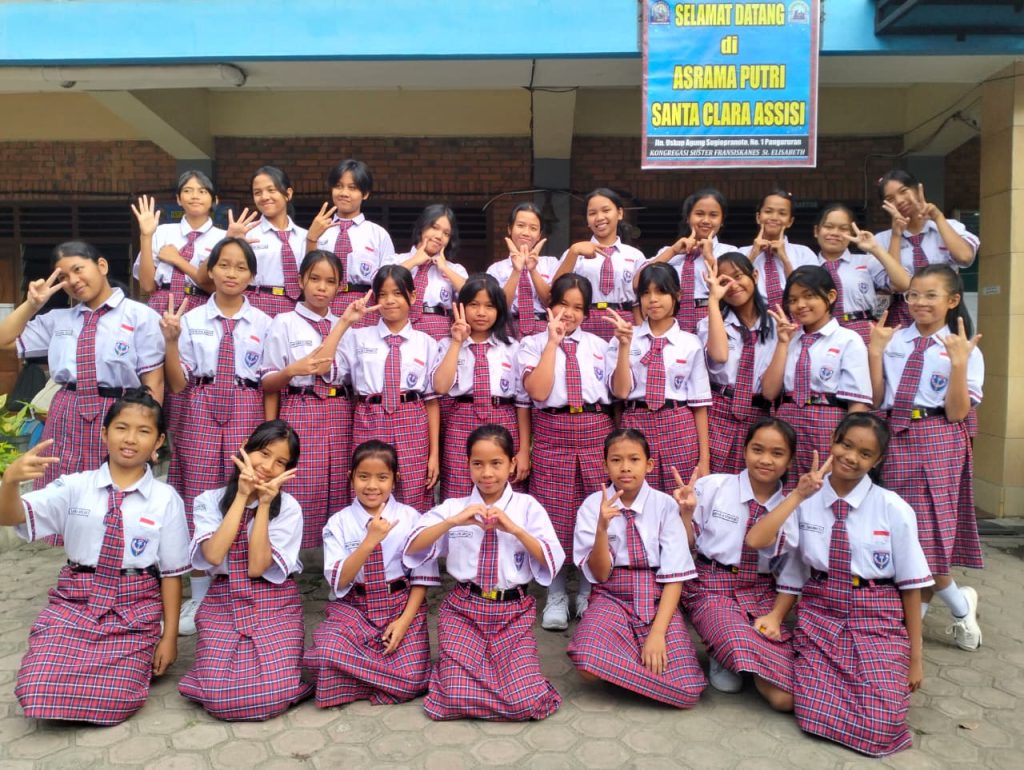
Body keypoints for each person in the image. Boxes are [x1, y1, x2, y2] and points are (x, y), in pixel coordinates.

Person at [747, 413, 933, 757]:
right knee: (790, 702)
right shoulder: (807, 500)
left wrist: (915, 658)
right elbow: (759, 541)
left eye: (865, 453)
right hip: (821, 613)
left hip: (876, 617)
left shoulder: (893, 508)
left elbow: (911, 586)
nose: (851, 457)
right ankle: (758, 667)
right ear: (833, 441)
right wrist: (798, 495)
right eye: (846, 445)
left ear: (877, 460)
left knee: (882, 724)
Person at [0, 389, 189, 724]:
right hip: (76, 600)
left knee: (117, 698)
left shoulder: (165, 498)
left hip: (134, 608)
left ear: (158, 441)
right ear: (104, 433)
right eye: (121, 428)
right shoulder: (74, 486)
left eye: (143, 431)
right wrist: (10, 482)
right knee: (35, 689)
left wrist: (169, 638)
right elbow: (11, 516)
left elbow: (172, 574)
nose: (130, 439)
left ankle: (128, 662)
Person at [404, 424, 565, 721]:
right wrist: (453, 522)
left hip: (512, 613)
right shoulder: (454, 507)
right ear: (467, 465)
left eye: (496, 463)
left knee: (525, 702)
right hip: (463, 611)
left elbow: (551, 559)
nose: (487, 473)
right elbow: (413, 546)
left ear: (512, 464)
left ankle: (491, 682)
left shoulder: (527, 507)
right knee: (456, 696)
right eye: (477, 464)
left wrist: (515, 529)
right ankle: (465, 678)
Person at [869, 264, 984, 650]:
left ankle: (913, 627)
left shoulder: (963, 348)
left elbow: (956, 412)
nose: (919, 302)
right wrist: (875, 353)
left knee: (929, 533)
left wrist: (959, 364)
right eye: (914, 294)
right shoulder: (894, 339)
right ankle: (959, 605)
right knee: (898, 531)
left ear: (952, 300)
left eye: (930, 295)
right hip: (894, 436)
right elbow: (876, 398)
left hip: (937, 436)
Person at [162, 237, 272, 634]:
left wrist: (268, 432)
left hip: (246, 405)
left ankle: (241, 581)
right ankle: (199, 592)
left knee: (242, 490)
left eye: (241, 267)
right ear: (210, 270)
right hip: (200, 404)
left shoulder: (264, 323)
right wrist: (171, 342)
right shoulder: (190, 320)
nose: (231, 273)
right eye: (224, 265)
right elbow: (178, 384)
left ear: (252, 276)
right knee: (197, 493)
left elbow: (268, 382)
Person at [0, 241, 164, 488]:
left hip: (120, 411)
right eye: (63, 277)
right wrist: (32, 304)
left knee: (113, 486)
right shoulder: (58, 320)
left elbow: (154, 382)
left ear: (102, 266)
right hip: (66, 410)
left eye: (78, 269)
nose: (73, 281)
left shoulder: (141, 316)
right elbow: (4, 340)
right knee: (58, 486)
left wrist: (148, 432)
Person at [178, 420, 312, 720]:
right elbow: (214, 555)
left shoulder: (289, 508)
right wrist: (241, 496)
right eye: (263, 453)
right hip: (223, 598)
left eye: (281, 462)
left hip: (275, 600)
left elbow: (256, 567)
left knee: (274, 694)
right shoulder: (208, 501)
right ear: (245, 450)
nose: (268, 467)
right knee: (219, 696)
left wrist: (263, 504)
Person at [567, 429, 706, 708]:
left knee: (689, 691)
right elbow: (600, 575)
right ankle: (640, 672)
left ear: (649, 465)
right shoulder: (592, 506)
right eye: (616, 460)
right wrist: (602, 529)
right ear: (605, 465)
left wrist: (657, 634)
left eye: (634, 459)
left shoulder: (665, 505)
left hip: (657, 595)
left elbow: (675, 575)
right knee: (585, 661)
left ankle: (623, 669)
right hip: (611, 595)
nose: (625, 467)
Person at [678, 418, 798, 710]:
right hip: (710, 587)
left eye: (777, 453)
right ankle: (724, 651)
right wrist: (685, 515)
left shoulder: (792, 508)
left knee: (786, 696)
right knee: (738, 644)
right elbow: (686, 546)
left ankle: (742, 657)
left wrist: (777, 617)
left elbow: (791, 574)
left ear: (790, 460)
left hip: (760, 592)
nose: (765, 460)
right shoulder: (714, 487)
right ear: (744, 451)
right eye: (757, 450)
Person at [305, 441, 437, 707]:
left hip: (400, 605)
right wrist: (369, 541)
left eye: (382, 478)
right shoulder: (339, 522)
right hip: (355, 607)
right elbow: (339, 580)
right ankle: (382, 679)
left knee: (412, 680)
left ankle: (354, 680)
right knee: (325, 653)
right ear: (351, 477)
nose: (372, 486)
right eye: (363, 477)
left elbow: (421, 576)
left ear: (395, 480)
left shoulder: (411, 517)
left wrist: (404, 622)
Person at [517, 273, 613, 630]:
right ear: (549, 304)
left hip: (595, 432)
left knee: (594, 514)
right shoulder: (531, 344)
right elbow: (538, 393)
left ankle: (588, 592)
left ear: (587, 313)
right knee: (552, 517)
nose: (569, 313)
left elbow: (616, 397)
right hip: (552, 432)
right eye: (562, 304)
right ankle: (555, 593)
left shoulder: (601, 346)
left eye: (577, 307)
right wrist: (552, 343)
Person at [262, 249, 362, 548]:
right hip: (300, 406)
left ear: (339, 286)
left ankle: (338, 552)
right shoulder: (284, 322)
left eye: (330, 282)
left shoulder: (347, 326)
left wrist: (343, 324)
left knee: (339, 479)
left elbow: (337, 372)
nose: (321, 287)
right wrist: (290, 371)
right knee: (301, 480)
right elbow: (268, 381)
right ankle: (289, 553)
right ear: (300, 281)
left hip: (339, 410)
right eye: (315, 279)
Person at [336, 265, 441, 512]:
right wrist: (344, 322)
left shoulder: (426, 342)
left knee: (413, 491)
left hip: (412, 420)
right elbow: (326, 369)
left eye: (397, 293)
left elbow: (432, 401)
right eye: (382, 294)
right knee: (370, 487)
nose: (390, 300)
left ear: (412, 296)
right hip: (369, 418)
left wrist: (434, 454)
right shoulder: (358, 337)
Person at [608, 262, 711, 491]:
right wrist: (624, 346)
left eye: (661, 292)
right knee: (636, 493)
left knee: (680, 493)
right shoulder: (624, 337)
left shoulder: (690, 343)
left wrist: (704, 459)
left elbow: (700, 404)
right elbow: (621, 392)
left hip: (678, 425)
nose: (653, 299)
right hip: (636, 422)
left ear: (677, 295)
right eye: (646, 293)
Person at [762, 266, 871, 482]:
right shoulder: (789, 339)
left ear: (830, 296)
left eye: (809, 296)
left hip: (829, 425)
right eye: (793, 300)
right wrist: (783, 343)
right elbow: (769, 392)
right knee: (786, 487)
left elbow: (858, 404)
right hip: (787, 422)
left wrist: (846, 445)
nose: (800, 305)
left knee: (822, 485)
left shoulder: (848, 339)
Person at [433, 274, 531, 498]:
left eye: (489, 306)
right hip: (461, 422)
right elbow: (440, 387)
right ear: (461, 307)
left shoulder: (512, 348)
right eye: (474, 305)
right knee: (459, 490)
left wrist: (524, 450)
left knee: (503, 487)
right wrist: (457, 342)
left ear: (499, 310)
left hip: (503, 419)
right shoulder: (447, 344)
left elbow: (523, 403)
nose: (481, 312)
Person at [699, 253, 777, 473]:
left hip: (759, 414)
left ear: (755, 276)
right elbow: (719, 355)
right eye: (724, 281)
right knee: (714, 482)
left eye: (738, 276)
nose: (732, 285)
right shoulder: (709, 322)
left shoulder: (776, 323)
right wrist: (713, 300)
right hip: (718, 412)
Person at [875, 169, 979, 329]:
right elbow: (898, 285)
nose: (899, 201)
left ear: (918, 189)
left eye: (903, 191)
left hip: (946, 314)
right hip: (902, 317)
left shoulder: (949, 226)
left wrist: (937, 217)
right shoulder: (881, 240)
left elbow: (965, 258)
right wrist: (896, 235)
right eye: (890, 199)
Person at [209, 166, 307, 318]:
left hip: (297, 307)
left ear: (288, 194)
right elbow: (215, 272)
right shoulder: (245, 233)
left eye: (271, 190)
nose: (264, 197)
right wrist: (230, 242)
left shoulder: (305, 237)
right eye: (257, 192)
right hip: (255, 305)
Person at [305, 158, 396, 322]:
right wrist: (312, 238)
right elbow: (306, 271)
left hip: (363, 307)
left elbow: (388, 280)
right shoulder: (318, 229)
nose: (344, 193)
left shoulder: (378, 234)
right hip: (323, 304)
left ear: (365, 194)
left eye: (352, 188)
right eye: (338, 186)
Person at [638, 188, 738, 333]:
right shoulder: (670, 252)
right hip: (671, 320)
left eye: (713, 215)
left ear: (722, 221)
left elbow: (732, 288)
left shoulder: (729, 252)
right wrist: (672, 251)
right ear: (687, 217)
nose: (706, 220)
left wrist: (709, 257)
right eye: (699, 214)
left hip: (714, 317)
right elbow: (638, 282)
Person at [809, 204, 910, 347]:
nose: (835, 233)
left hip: (862, 333)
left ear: (852, 233)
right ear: (816, 231)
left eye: (843, 228)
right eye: (829, 226)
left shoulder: (866, 261)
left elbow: (903, 284)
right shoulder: (808, 265)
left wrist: (875, 249)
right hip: (820, 333)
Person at [552, 189, 643, 341]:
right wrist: (574, 252)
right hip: (584, 321)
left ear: (620, 213)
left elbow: (638, 301)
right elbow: (555, 290)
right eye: (592, 213)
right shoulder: (575, 252)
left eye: (606, 210)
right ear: (587, 220)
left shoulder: (635, 256)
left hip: (624, 321)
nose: (599, 217)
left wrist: (640, 333)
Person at [131, 170, 224, 314]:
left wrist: (177, 259)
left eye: (202, 191)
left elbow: (219, 288)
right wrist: (146, 236)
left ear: (215, 200)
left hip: (202, 308)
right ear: (178, 199)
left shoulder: (223, 238)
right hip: (160, 306)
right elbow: (147, 286)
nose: (195, 196)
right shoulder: (162, 232)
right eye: (187, 191)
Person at [389, 204, 468, 341]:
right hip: (401, 327)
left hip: (441, 332)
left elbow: (473, 294)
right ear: (422, 227)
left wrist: (445, 269)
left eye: (446, 233)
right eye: (435, 228)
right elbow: (381, 284)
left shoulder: (455, 269)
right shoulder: (397, 260)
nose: (439, 236)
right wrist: (414, 261)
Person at [486, 202, 556, 337]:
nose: (526, 233)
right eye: (520, 225)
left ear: (539, 235)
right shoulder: (495, 269)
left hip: (544, 330)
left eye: (533, 228)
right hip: (507, 329)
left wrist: (533, 270)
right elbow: (498, 307)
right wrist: (516, 271)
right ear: (510, 229)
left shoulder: (551, 263)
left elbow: (553, 302)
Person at [744, 189, 817, 308]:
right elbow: (732, 286)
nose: (774, 217)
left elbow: (812, 291)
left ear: (790, 222)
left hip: (795, 314)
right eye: (768, 211)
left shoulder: (804, 253)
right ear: (758, 217)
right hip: (756, 315)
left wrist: (784, 258)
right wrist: (752, 255)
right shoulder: (741, 253)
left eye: (782, 213)